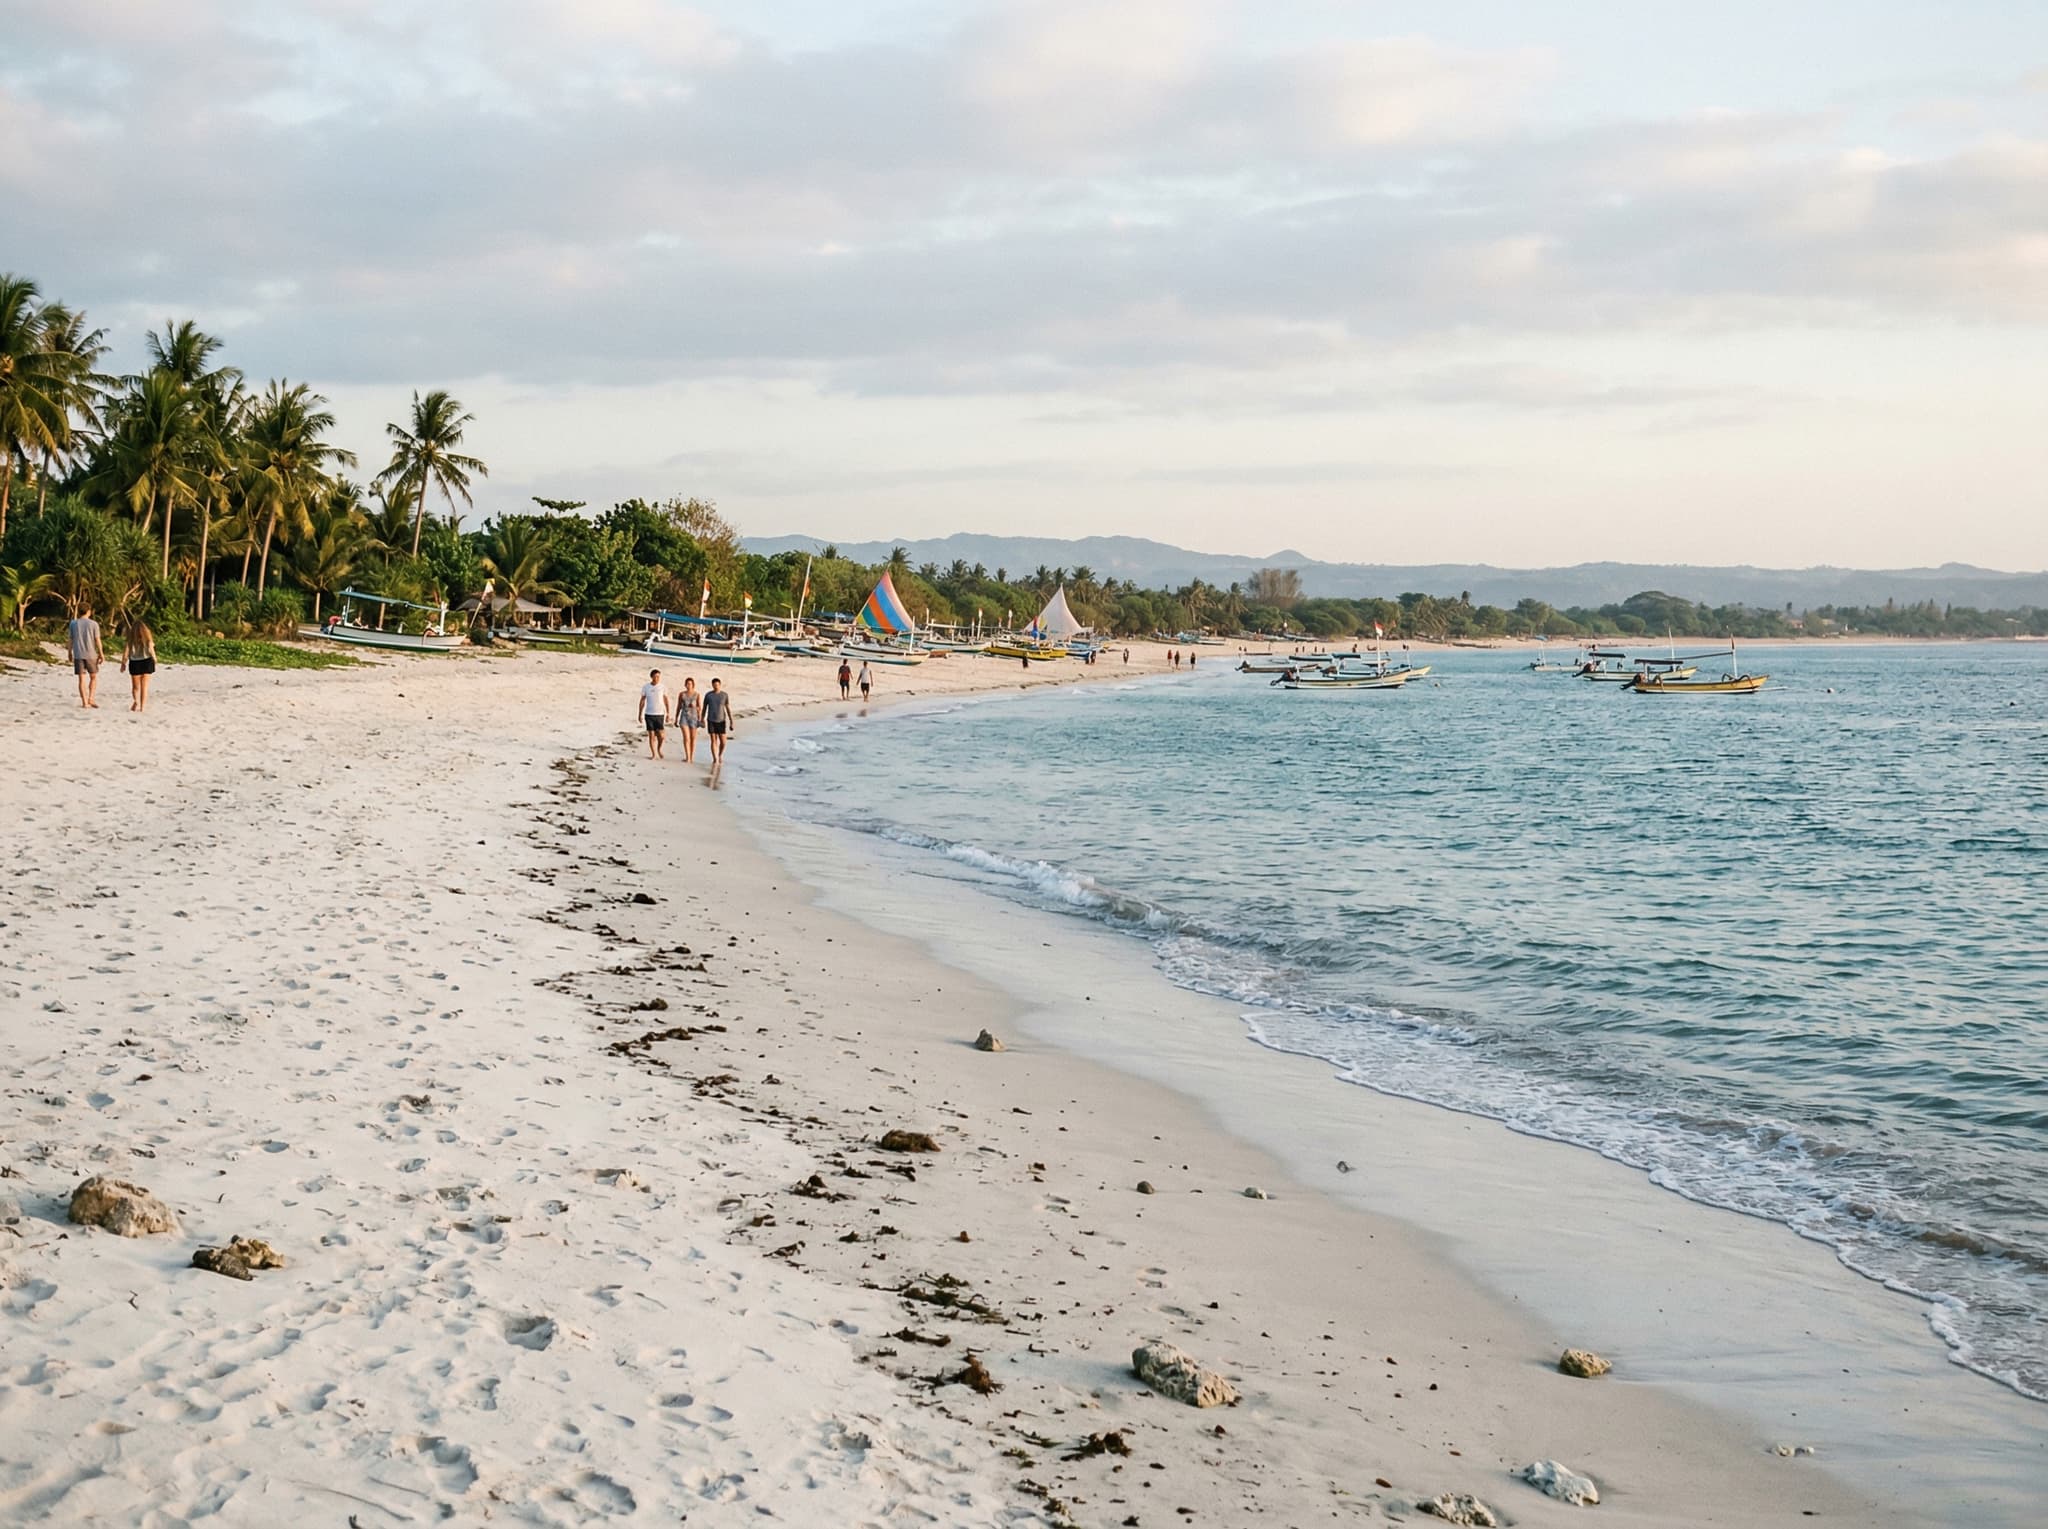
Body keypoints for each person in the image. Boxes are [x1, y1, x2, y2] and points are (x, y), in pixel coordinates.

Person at [67, 604, 104, 709]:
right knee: (93, 677)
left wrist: (69, 652)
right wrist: (101, 653)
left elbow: (70, 639)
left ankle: (84, 702)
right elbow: (97, 640)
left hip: (78, 654)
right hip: (91, 654)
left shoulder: (73, 624)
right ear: (89, 611)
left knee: (81, 679)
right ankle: (91, 698)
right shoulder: (94, 624)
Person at [122, 621, 158, 712]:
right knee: (144, 687)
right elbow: (151, 649)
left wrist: (123, 663)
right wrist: (155, 659)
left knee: (135, 687)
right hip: (147, 661)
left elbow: (125, 652)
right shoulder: (148, 639)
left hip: (134, 663)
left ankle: (136, 701)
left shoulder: (130, 641)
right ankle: (142, 707)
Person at [702, 677, 734, 766]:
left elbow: (727, 708)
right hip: (711, 720)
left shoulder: (724, 695)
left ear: (720, 685)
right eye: (714, 685)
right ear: (712, 685)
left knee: (723, 742)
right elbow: (704, 707)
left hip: (721, 720)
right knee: (713, 740)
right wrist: (702, 719)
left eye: (717, 685)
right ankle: (715, 758)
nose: (716, 686)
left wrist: (731, 721)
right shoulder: (708, 695)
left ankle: (719, 755)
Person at [638, 668, 669, 758]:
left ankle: (659, 749)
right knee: (651, 735)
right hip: (649, 714)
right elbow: (642, 700)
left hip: (660, 714)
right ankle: (653, 754)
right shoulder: (646, 687)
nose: (657, 678)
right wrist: (640, 714)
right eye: (655, 676)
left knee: (661, 736)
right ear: (651, 677)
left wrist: (668, 713)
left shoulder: (662, 687)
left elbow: (666, 700)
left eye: (658, 677)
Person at [676, 676, 703, 763]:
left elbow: (700, 708)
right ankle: (687, 757)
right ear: (685, 685)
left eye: (690, 684)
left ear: (693, 685)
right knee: (686, 738)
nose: (689, 685)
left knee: (693, 738)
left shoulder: (697, 695)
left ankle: (691, 757)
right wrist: (676, 718)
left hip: (694, 717)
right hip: (684, 716)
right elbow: (679, 706)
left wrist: (700, 717)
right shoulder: (682, 694)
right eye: (687, 684)